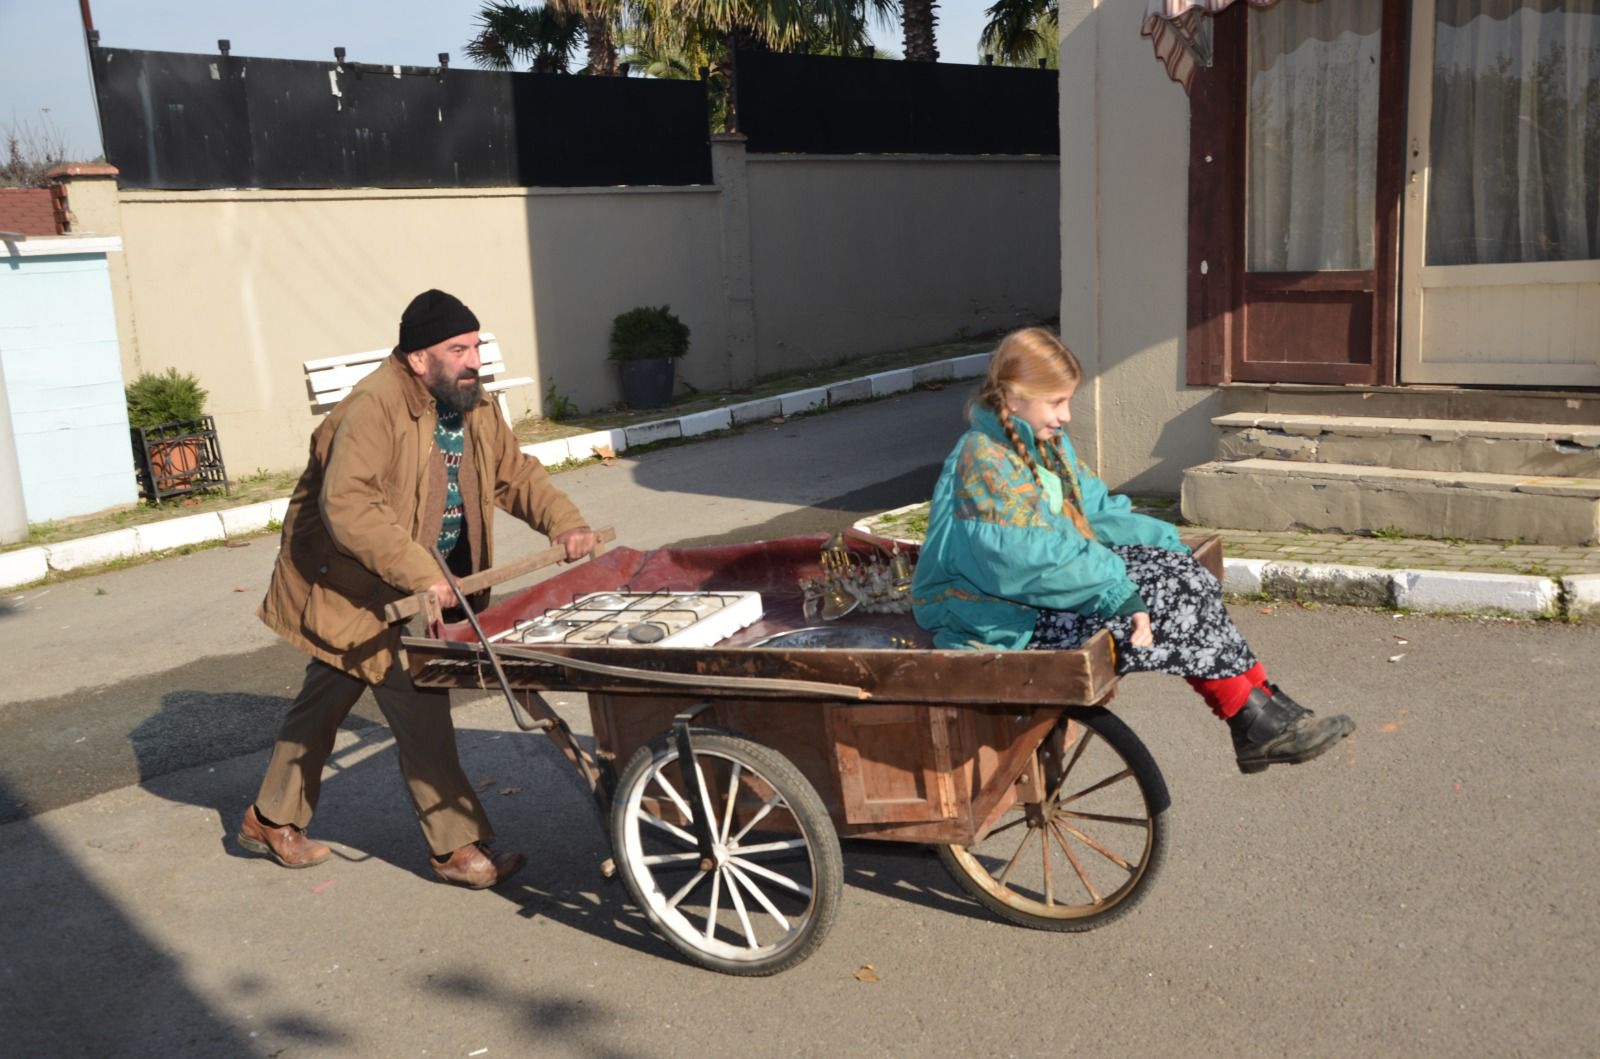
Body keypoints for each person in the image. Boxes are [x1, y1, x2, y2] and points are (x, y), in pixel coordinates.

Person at [239, 289, 597, 888]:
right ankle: (454, 848)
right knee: (419, 692)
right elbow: (348, 506)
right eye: (458, 348)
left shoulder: (468, 400)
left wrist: (567, 522)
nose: (473, 359)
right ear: (416, 359)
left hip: (409, 580)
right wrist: (422, 572)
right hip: (349, 580)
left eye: (476, 345)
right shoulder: (371, 409)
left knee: (330, 688)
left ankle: (268, 817)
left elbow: (513, 473)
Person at [911, 326, 1354, 774]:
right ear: (1012, 397)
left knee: (1180, 574)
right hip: (995, 614)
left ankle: (1260, 707)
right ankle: (1252, 719)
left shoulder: (1044, 443)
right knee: (1167, 593)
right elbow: (1026, 558)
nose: (1065, 416)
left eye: (1068, 401)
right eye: (1057, 402)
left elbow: (1096, 513)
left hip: (1043, 587)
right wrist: (1114, 590)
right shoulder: (983, 460)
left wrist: (1169, 543)